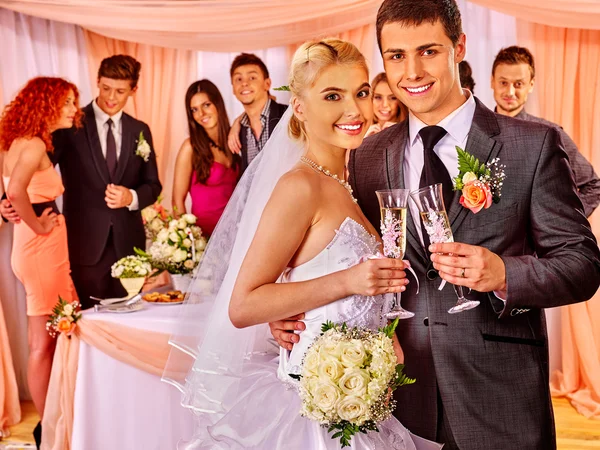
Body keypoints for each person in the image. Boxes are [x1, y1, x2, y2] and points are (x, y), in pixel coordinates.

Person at [270, 1, 600, 449]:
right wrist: (297, 316)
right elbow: (355, 258)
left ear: (459, 47)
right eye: (396, 56)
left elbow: (582, 265)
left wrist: (504, 274)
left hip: (500, 396)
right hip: (399, 400)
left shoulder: (533, 144)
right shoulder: (367, 155)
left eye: (427, 51)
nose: (412, 71)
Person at [165, 39, 441, 450]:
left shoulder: (348, 184)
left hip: (360, 407)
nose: (355, 110)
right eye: (333, 95)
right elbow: (242, 306)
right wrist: (346, 281)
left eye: (361, 92)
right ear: (299, 106)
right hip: (308, 418)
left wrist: (388, 342)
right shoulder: (299, 186)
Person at [1, 55, 162, 309]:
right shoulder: (68, 123)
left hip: (129, 249)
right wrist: (6, 201)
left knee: (129, 324)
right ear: (97, 82)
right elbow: (33, 172)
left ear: (133, 90)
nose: (111, 97)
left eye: (120, 91)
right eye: (106, 88)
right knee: (85, 327)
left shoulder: (140, 130)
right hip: (82, 248)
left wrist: (131, 197)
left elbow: (153, 186)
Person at [0, 77, 81, 446]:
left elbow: (12, 194)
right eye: (66, 103)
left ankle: (50, 421)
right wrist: (39, 224)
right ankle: (49, 425)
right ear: (46, 103)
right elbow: (15, 191)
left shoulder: (19, 142)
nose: (72, 110)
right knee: (44, 342)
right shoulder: (32, 144)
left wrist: (17, 213)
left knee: (44, 339)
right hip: (40, 250)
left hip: (32, 249)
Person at [491, 45, 600, 216]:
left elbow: (594, 186)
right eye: (503, 82)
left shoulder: (550, 134)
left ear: (531, 85)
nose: (510, 92)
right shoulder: (476, 130)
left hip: (537, 241)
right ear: (492, 81)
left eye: (518, 84)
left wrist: (565, 223)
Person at [172, 80, 239, 236]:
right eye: (194, 109)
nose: (201, 114)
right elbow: (177, 201)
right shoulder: (190, 147)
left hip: (234, 235)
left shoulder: (233, 140)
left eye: (206, 105)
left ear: (218, 104)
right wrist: (188, 241)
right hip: (204, 238)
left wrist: (237, 123)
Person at [226, 53, 288, 173]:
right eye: (238, 79)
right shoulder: (239, 131)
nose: (244, 83)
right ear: (233, 88)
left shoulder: (288, 115)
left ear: (267, 84)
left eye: (252, 77)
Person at [365, 72, 408, 137]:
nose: (385, 104)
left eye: (392, 98)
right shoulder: (361, 132)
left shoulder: (409, 132)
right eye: (378, 97)